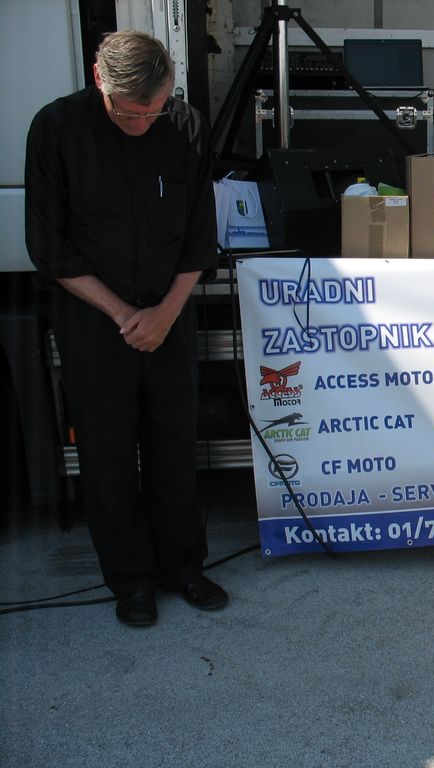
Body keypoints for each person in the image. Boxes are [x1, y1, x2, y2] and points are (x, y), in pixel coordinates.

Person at [24, 30, 227, 627]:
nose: (142, 122)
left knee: (175, 444)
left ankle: (183, 565)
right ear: (99, 81)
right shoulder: (56, 129)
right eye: (128, 112)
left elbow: (199, 237)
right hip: (93, 317)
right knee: (106, 452)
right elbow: (49, 246)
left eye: (152, 110)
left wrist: (164, 313)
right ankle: (130, 579)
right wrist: (121, 314)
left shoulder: (185, 126)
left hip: (169, 311)